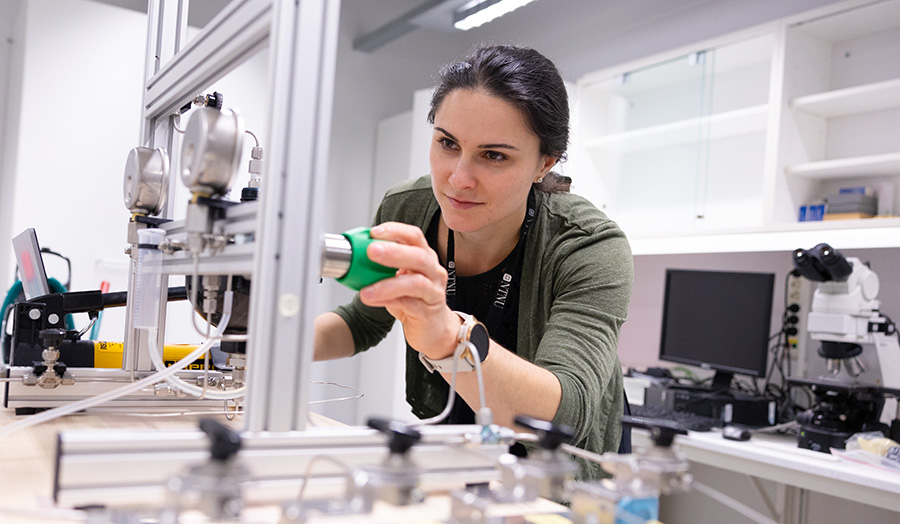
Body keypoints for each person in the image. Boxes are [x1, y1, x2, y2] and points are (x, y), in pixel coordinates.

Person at [314, 45, 633, 481]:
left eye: (494, 155)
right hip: (456, 444)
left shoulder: (589, 246)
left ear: (545, 162)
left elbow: (565, 414)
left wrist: (447, 335)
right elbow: (365, 320)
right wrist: (257, 344)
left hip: (556, 472)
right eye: (448, 143)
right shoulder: (407, 210)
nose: (458, 179)